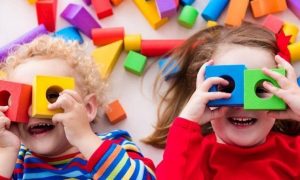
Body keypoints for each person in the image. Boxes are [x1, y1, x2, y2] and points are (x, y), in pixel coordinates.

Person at [147, 23, 300, 179]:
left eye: (259, 90)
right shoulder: (194, 157)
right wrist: (188, 121)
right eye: (227, 88)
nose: (242, 105)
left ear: (282, 97)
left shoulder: (294, 154)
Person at [0, 35, 155, 179]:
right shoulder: (15, 162)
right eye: (22, 100)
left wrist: (84, 138)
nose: (32, 111)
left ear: (87, 108)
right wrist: (6, 152)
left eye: (51, 95)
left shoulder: (112, 146)